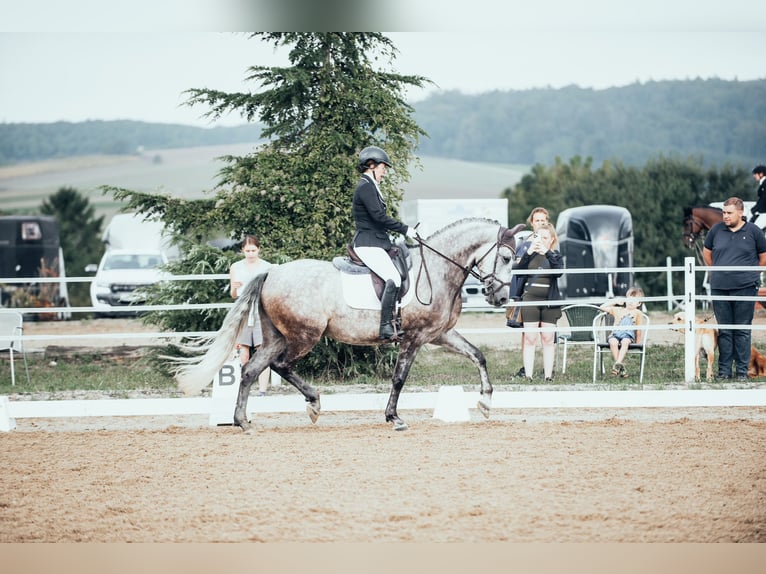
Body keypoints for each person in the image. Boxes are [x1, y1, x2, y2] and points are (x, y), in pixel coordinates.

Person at [352, 145, 418, 340]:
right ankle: (385, 327)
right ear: (371, 165)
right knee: (394, 278)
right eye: (383, 167)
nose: (385, 171)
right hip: (367, 243)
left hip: (377, 242)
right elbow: (379, 217)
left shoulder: (371, 186)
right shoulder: (365, 186)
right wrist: (405, 229)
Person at [703, 197, 766, 380]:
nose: (725, 216)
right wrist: (718, 271)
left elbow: (763, 257)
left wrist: (751, 274)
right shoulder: (716, 230)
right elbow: (707, 253)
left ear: (741, 213)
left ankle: (741, 372)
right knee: (724, 330)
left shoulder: (754, 231)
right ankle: (723, 372)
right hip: (720, 287)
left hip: (745, 287)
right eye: (723, 212)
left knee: (742, 329)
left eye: (729, 213)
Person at [514, 222, 563, 381]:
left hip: (549, 302)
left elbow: (559, 272)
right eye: (538, 237)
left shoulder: (555, 255)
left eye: (545, 237)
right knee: (530, 338)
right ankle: (528, 375)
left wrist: (547, 253)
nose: (541, 240)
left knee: (548, 339)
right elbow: (518, 271)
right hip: (530, 300)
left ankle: (548, 376)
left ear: (552, 239)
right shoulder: (530, 254)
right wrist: (529, 251)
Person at [507, 207, 551, 378]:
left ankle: (546, 369)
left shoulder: (552, 241)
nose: (540, 223)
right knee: (528, 333)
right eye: (537, 220)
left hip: (547, 294)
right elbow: (518, 266)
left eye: (543, 220)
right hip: (528, 293)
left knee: (547, 335)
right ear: (531, 222)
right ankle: (527, 367)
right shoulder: (524, 242)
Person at [229, 234, 273, 395]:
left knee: (263, 349)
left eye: (253, 250)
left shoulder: (268, 267)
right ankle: (243, 387)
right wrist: (234, 287)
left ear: (259, 250)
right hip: (244, 309)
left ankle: (262, 390)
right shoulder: (236, 267)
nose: (251, 253)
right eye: (247, 250)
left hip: (261, 310)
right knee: (243, 350)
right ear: (243, 250)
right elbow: (233, 295)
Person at [598, 286, 645, 378]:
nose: (630, 302)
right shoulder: (618, 310)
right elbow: (602, 307)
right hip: (615, 334)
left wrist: (638, 343)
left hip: (627, 336)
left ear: (639, 303)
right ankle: (619, 365)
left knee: (625, 341)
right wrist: (615, 301)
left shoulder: (637, 313)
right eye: (629, 299)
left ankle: (617, 365)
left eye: (634, 300)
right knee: (612, 341)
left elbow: (638, 329)